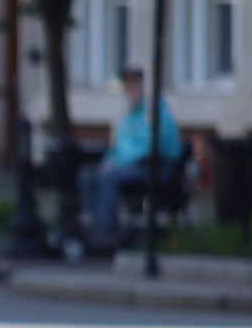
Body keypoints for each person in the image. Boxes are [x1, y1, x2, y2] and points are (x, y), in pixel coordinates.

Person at [78, 66, 181, 248]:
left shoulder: (157, 113)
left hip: (155, 168)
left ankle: (108, 232)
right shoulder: (129, 116)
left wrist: (116, 164)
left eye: (135, 85)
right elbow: (118, 147)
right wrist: (109, 161)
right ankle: (97, 226)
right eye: (128, 85)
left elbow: (149, 148)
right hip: (128, 167)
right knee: (87, 174)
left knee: (108, 176)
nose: (131, 90)